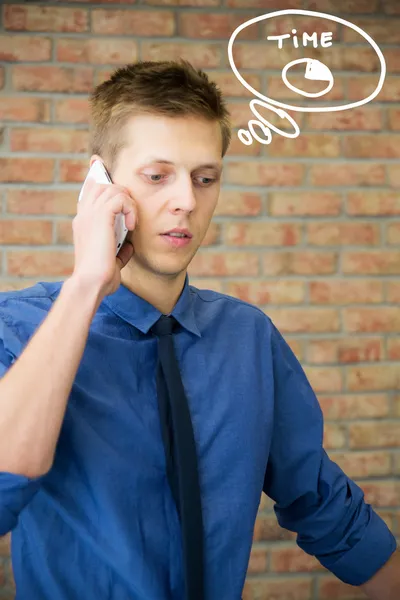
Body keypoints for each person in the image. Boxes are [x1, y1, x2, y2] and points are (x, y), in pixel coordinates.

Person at [0, 59, 398, 600]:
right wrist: (88, 283)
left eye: (205, 178)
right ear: (101, 183)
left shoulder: (249, 338)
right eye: (157, 176)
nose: (186, 199)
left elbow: (325, 508)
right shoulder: (19, 327)